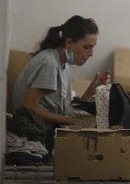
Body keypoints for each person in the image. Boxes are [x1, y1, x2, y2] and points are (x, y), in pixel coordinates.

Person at [10, 15, 111, 151]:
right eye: (87, 47)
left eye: (93, 47)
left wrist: (91, 90)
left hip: (48, 128)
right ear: (69, 43)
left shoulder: (65, 65)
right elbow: (31, 108)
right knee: (99, 142)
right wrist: (74, 122)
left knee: (103, 124)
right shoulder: (49, 62)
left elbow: (64, 111)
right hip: (32, 131)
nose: (91, 53)